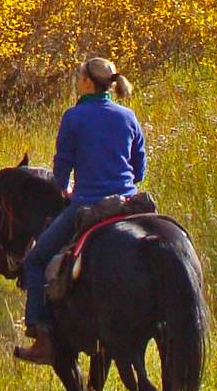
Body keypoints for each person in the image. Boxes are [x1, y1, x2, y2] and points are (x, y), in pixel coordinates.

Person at [13, 57, 145, 365]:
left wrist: (65, 189)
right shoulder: (128, 116)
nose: (77, 79)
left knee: (34, 261)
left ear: (88, 82)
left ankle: (42, 337)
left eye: (79, 75)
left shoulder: (74, 117)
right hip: (128, 204)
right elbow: (139, 171)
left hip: (88, 203)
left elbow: (61, 171)